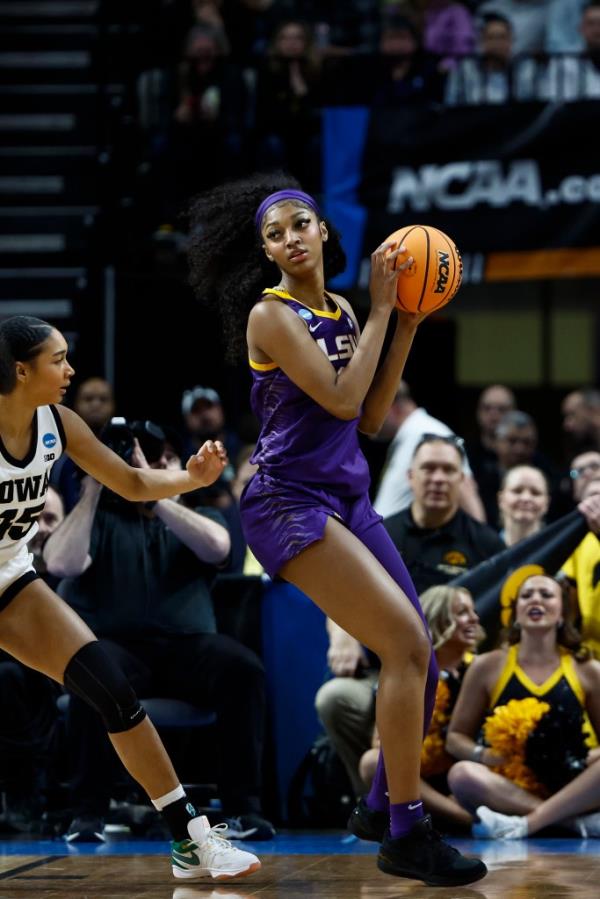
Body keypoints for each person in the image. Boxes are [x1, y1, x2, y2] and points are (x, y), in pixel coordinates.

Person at [186, 172, 486, 886]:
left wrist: (405, 322)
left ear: (323, 230)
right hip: (287, 500)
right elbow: (344, 393)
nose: (290, 238)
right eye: (275, 233)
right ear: (266, 251)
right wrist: (386, 308)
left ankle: (380, 806)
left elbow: (372, 416)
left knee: (426, 656)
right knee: (408, 644)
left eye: (300, 223)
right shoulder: (272, 315)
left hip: (344, 496)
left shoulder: (348, 311)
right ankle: (406, 832)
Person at [0, 315, 260, 881]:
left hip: (11, 581)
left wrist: (191, 479)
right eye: (58, 360)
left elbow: (133, 482)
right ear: (21, 371)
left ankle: (190, 840)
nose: (70, 371)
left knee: (114, 695)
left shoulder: (59, 425)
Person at [44, 423, 273, 844]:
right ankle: (87, 816)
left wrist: (151, 489)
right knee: (88, 674)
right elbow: (60, 563)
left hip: (187, 649)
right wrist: (97, 485)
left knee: (244, 668)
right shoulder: (97, 519)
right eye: (136, 460)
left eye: (158, 459)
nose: (143, 466)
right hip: (118, 651)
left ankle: (245, 810)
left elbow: (219, 548)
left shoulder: (194, 514)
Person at [446, 568, 600, 839]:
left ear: (562, 612)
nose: (535, 600)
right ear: (515, 612)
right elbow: (456, 738)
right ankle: (573, 825)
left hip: (572, 781)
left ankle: (525, 825)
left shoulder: (587, 669)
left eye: (546, 594)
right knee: (461, 775)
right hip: (508, 784)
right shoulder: (487, 665)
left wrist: (587, 757)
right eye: (526, 595)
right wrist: (484, 755)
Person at [358, 585, 483, 833]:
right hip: (419, 778)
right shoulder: (407, 671)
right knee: (372, 762)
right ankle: (469, 821)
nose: (475, 618)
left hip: (466, 774)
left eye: (473, 611)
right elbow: (379, 743)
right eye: (462, 612)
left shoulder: (483, 668)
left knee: (468, 773)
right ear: (437, 618)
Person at [0, 484, 65, 833]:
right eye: (34, 519)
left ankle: (24, 794)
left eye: (52, 518)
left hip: (52, 678)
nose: (41, 529)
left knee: (10, 678)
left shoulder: (69, 570)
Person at [383, 434, 505, 594]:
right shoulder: (383, 536)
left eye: (448, 470)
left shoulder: (487, 545)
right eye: (429, 468)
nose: (438, 479)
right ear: (410, 476)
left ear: (461, 479)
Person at [373, 381, 484, 521]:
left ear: (388, 404)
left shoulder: (431, 433)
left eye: (367, 408)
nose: (361, 416)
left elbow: (466, 493)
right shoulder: (410, 434)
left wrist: (480, 540)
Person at [50, 377, 115, 512]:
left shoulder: (123, 451)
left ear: (113, 405)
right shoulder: (58, 455)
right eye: (88, 399)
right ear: (76, 405)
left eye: (103, 399)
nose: (96, 404)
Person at [497, 465, 549, 547]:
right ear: (501, 499)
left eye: (535, 493)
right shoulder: (483, 551)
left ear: (547, 503)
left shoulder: (561, 553)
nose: (526, 498)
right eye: (517, 491)